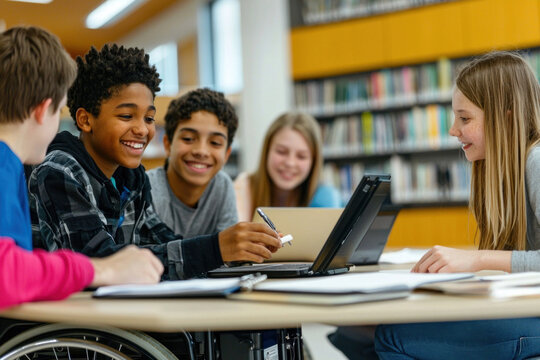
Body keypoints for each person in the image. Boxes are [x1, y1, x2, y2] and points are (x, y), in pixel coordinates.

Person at [28, 44, 281, 281]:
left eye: (149, 118)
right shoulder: (60, 171)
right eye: (127, 116)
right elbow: (100, 264)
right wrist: (216, 249)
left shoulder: (132, 177)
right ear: (85, 120)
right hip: (66, 321)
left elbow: (161, 241)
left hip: (114, 315)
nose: (142, 129)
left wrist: (235, 248)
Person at [375, 51, 540, 359]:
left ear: (505, 117)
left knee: (391, 336)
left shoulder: (536, 161)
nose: (453, 130)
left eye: (465, 118)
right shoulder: (500, 170)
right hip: (527, 310)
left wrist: (476, 261)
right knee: (364, 332)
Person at [0, 26, 163, 309]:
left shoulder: (11, 166)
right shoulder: (5, 166)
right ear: (43, 109)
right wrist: (102, 270)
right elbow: (6, 275)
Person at [147, 88, 238, 237]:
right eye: (188, 139)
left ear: (227, 154)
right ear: (167, 144)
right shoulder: (147, 189)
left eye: (215, 142)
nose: (201, 151)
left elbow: (231, 252)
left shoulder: (222, 185)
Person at [234, 112, 341, 222]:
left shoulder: (326, 197)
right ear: (267, 151)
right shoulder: (244, 186)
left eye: (301, 156)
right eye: (281, 152)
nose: (290, 163)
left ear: (313, 162)